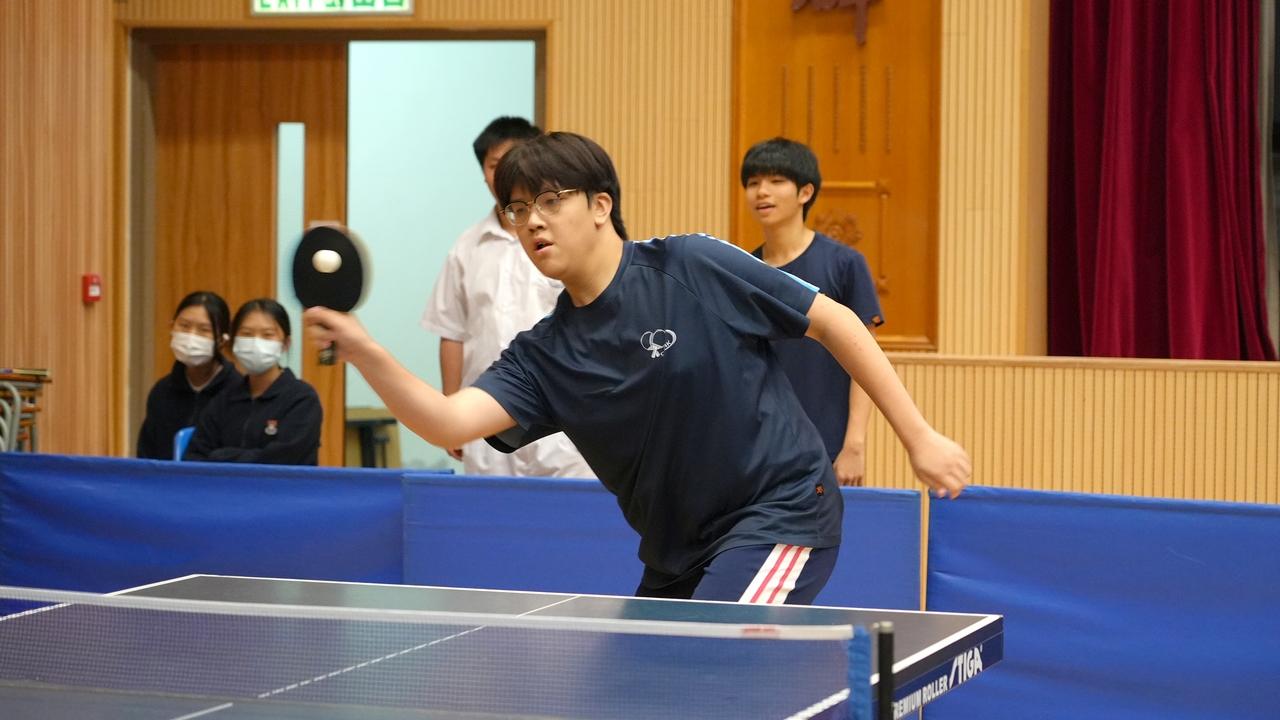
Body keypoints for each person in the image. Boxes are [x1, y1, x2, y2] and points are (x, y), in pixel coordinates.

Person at [305, 132, 970, 605]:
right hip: (677, 551)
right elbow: (448, 421)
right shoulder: (546, 353)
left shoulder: (691, 265)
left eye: (550, 201)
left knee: (711, 666)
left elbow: (836, 321)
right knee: (643, 690)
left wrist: (919, 437)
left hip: (780, 514)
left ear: (600, 206)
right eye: (517, 209)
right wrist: (366, 351)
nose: (532, 222)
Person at [420, 117, 594, 479]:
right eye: (494, 165)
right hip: (487, 410)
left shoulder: (567, 240)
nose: (505, 172)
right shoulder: (467, 247)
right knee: (491, 509)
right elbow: (451, 330)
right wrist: (450, 406)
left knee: (568, 509)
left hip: (563, 413)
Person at [743, 138, 883, 487]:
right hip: (759, 450)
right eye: (753, 182)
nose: (762, 192)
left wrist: (854, 445)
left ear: (805, 192)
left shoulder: (845, 263)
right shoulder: (742, 271)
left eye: (776, 181)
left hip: (827, 447)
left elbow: (867, 360)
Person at [184, 298, 322, 465]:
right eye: (247, 334)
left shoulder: (302, 399)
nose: (256, 342)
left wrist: (220, 456)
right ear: (234, 341)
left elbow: (283, 459)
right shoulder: (224, 400)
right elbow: (194, 457)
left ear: (285, 344)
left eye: (267, 335)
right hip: (225, 483)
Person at [137, 291, 243, 459]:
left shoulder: (238, 392)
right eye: (184, 326)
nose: (191, 336)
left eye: (204, 330)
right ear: (172, 327)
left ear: (222, 340)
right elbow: (147, 454)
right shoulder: (162, 391)